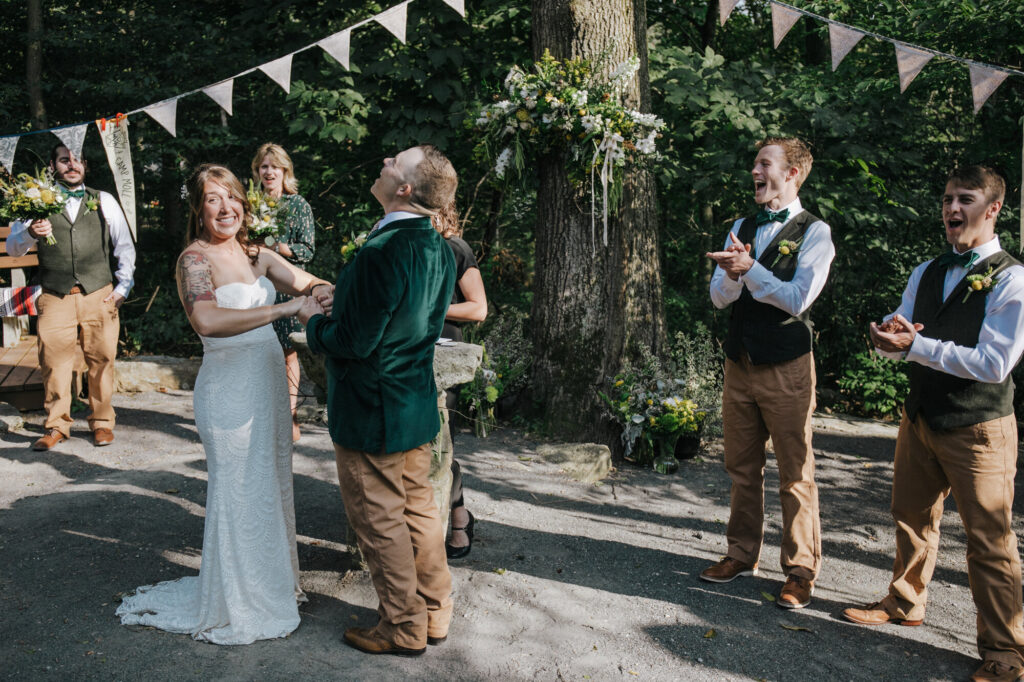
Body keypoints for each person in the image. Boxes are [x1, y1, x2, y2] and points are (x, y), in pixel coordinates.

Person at [116, 164, 332, 645]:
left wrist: (320, 291)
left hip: (270, 384)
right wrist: (285, 308)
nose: (225, 207)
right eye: (213, 199)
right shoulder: (194, 260)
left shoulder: (257, 254)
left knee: (270, 484)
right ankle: (238, 600)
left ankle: (271, 586)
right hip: (228, 387)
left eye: (232, 197)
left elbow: (303, 279)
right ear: (198, 208)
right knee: (238, 491)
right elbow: (209, 321)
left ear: (244, 203)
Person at [842, 166, 1024, 682]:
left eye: (964, 199)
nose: (950, 209)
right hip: (921, 416)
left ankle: (1007, 650)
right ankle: (905, 602)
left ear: (992, 210)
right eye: (946, 199)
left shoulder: (1012, 276)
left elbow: (995, 363)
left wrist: (916, 346)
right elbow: (908, 327)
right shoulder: (925, 270)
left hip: (978, 427)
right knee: (910, 516)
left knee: (989, 540)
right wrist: (888, 338)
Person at [299, 144, 457, 656]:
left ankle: (402, 625)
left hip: (372, 409)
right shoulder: (436, 245)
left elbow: (353, 342)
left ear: (405, 188)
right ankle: (435, 611)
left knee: (378, 519)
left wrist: (314, 323)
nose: (385, 161)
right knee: (418, 512)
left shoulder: (380, 250)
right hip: (413, 400)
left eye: (395, 162)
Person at [703, 137, 834, 608]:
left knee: (795, 472)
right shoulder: (741, 225)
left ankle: (800, 570)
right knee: (741, 467)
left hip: (787, 367)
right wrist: (734, 275)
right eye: (754, 162)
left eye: (764, 163)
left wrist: (750, 268)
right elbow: (719, 297)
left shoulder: (816, 233)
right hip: (740, 363)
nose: (754, 171)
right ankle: (741, 554)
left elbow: (799, 299)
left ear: (793, 173)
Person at [8, 144, 136, 451]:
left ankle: (102, 423)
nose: (72, 164)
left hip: (99, 293)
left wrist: (121, 290)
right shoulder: (35, 201)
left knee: (102, 359)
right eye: (65, 159)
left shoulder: (103, 200)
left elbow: (124, 247)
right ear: (54, 166)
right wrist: (30, 234)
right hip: (54, 294)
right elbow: (14, 248)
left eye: (77, 158)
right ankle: (56, 425)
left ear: (86, 165)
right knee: (53, 362)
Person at [433, 203, 487, 559]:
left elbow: (478, 308)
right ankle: (450, 516)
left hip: (444, 349)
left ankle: (458, 519)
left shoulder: (455, 248)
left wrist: (430, 307)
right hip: (404, 347)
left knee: (438, 438)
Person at [251, 143, 316, 441]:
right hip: (255, 287)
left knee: (288, 353)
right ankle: (262, 415)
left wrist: (275, 248)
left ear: (284, 171)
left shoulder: (298, 204)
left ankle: (290, 417)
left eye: (274, 166)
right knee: (261, 351)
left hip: (287, 288)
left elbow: (307, 250)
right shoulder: (250, 204)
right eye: (264, 166)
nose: (268, 171)